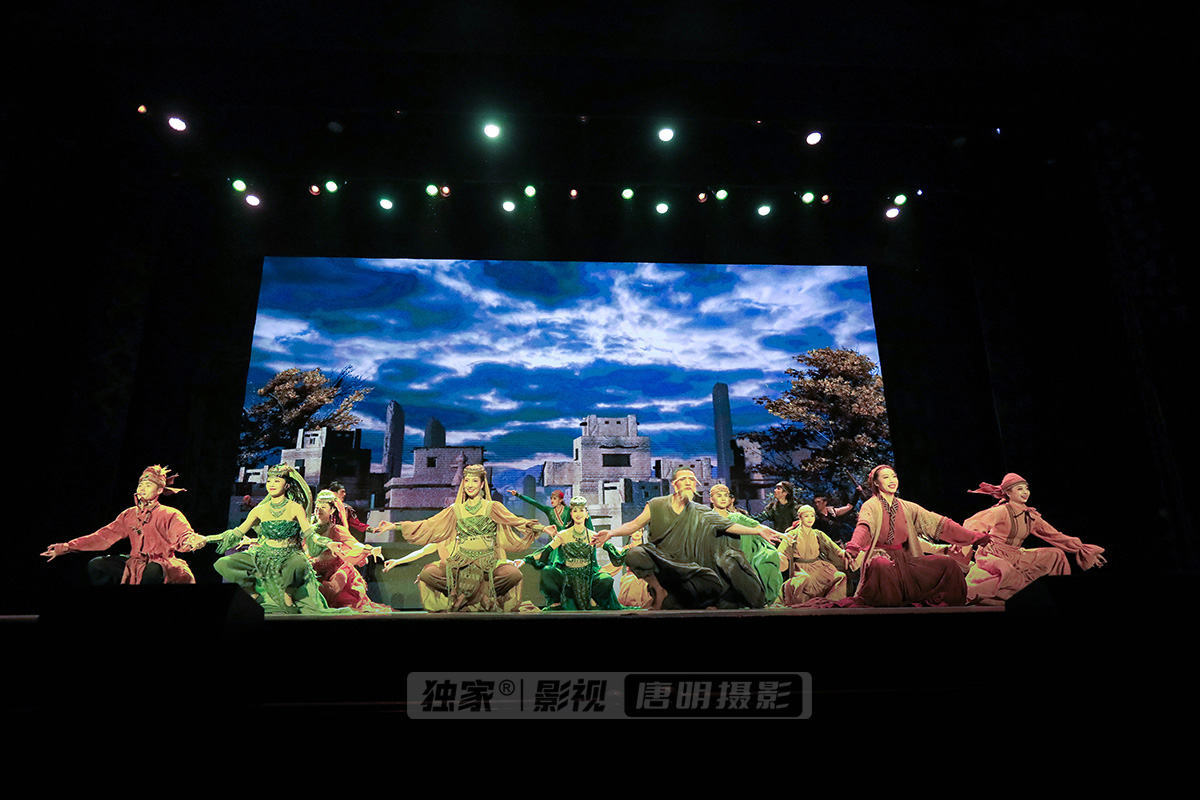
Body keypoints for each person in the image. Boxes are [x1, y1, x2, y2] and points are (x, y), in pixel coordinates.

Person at [591, 467, 782, 610]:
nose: (689, 482)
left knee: (700, 596)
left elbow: (729, 525)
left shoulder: (700, 510)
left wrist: (758, 531)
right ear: (674, 484)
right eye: (684, 479)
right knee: (635, 554)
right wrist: (610, 533)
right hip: (662, 565)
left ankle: (686, 597)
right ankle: (660, 589)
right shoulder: (657, 504)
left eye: (692, 479)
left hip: (690, 569)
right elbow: (634, 525)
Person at [374, 464, 540, 612]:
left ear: (482, 484)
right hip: (460, 564)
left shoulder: (492, 507)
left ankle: (471, 598)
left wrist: (542, 528)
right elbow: (427, 527)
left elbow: (516, 521)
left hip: (487, 563)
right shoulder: (454, 513)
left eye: (474, 481)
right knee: (428, 573)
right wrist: (395, 526)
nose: (470, 485)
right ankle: (472, 598)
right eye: (466, 481)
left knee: (513, 575)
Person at [206, 463, 351, 614]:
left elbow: (309, 533)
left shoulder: (295, 508)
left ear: (287, 485)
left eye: (277, 481)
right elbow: (236, 533)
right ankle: (253, 594)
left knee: (300, 563)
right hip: (263, 555)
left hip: (289, 555)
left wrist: (328, 543)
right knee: (222, 563)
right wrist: (206, 539)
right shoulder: (259, 510)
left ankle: (288, 594)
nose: (272, 484)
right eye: (269, 481)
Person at [841, 465, 991, 607]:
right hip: (881, 558)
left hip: (906, 560)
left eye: (894, 476)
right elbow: (864, 527)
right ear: (876, 482)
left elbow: (940, 523)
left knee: (948, 564)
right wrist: (853, 547)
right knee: (882, 565)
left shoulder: (907, 507)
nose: (892, 480)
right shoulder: (871, 505)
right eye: (886, 477)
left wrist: (973, 537)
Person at [42, 465, 206, 585]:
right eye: (140, 484)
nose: (142, 488)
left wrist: (192, 540)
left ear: (159, 491)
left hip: (161, 563)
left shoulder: (170, 513)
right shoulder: (129, 514)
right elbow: (103, 536)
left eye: (148, 485)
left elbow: (183, 535)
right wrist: (67, 547)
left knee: (153, 570)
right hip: (135, 563)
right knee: (98, 565)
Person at [962, 473, 1106, 605]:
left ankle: (1059, 597)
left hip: (1016, 555)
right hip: (994, 554)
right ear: (1008, 493)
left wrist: (1082, 549)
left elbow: (1054, 535)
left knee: (1056, 555)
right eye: (1020, 489)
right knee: (1006, 574)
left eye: (1026, 488)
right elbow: (972, 523)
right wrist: (979, 537)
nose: (1025, 492)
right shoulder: (1001, 511)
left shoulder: (1030, 516)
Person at [527, 496, 622, 610]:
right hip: (567, 577)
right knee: (547, 571)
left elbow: (610, 547)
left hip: (587, 577)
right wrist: (525, 560)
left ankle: (593, 600)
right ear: (571, 514)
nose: (578, 514)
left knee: (606, 578)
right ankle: (557, 603)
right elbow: (546, 550)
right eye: (575, 511)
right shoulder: (563, 534)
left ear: (586, 514)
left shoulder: (593, 535)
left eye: (581, 510)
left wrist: (627, 549)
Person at [309, 490, 392, 612]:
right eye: (317, 507)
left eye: (323, 507)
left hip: (335, 569)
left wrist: (370, 549)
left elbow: (353, 544)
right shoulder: (309, 530)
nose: (319, 510)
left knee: (332, 590)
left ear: (332, 510)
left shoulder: (336, 530)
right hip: (314, 568)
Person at [707, 483, 786, 605]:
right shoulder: (707, 517)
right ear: (711, 499)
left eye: (726, 495)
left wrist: (783, 535)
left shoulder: (737, 517)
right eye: (719, 495)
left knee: (765, 559)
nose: (723, 498)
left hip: (740, 555)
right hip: (716, 557)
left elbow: (757, 526)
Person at [777, 504, 850, 605]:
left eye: (812, 516)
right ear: (800, 517)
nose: (810, 519)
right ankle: (799, 607)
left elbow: (832, 547)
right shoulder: (793, 534)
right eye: (806, 516)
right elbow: (781, 551)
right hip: (800, 568)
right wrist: (781, 558)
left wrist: (842, 552)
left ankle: (830, 604)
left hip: (818, 566)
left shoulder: (818, 534)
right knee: (803, 580)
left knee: (840, 576)